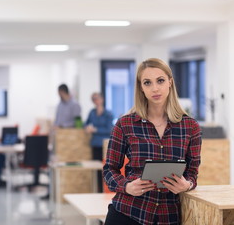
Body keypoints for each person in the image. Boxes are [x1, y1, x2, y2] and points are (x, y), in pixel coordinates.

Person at [103, 58, 202, 225]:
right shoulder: (125, 124)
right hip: (128, 213)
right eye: (147, 83)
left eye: (160, 81)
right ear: (141, 87)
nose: (155, 88)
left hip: (168, 217)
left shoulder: (190, 127)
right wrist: (127, 186)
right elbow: (109, 170)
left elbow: (192, 173)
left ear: (170, 82)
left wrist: (186, 185)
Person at [84, 92, 113, 192]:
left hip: (104, 146)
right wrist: (87, 128)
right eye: (93, 99)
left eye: (97, 98)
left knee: (105, 170)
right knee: (96, 170)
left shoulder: (108, 114)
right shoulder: (92, 112)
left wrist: (95, 130)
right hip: (95, 144)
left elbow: (109, 130)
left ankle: (105, 190)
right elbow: (85, 123)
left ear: (102, 99)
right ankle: (97, 191)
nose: (95, 101)